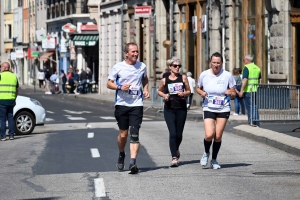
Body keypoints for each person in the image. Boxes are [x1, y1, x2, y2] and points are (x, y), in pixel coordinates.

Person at [107, 42, 150, 174]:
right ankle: (121, 154)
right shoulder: (118, 67)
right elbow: (109, 83)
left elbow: (145, 79)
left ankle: (132, 163)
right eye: (133, 52)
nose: (136, 54)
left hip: (137, 104)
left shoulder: (142, 66)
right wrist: (120, 87)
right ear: (126, 53)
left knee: (135, 133)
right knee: (123, 134)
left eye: (137, 51)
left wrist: (146, 89)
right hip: (122, 104)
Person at [196, 52, 236, 169]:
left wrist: (230, 93)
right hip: (208, 106)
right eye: (214, 63)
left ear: (222, 63)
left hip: (223, 107)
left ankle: (214, 159)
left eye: (218, 63)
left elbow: (233, 92)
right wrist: (202, 93)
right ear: (210, 62)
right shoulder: (204, 75)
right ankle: (206, 152)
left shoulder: (227, 75)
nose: (216, 65)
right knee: (209, 134)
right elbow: (198, 88)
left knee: (218, 136)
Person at [157, 56, 191, 167]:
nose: (177, 68)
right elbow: (159, 91)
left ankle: (176, 148)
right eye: (175, 66)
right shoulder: (164, 80)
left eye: (179, 66)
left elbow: (189, 91)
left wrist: (184, 94)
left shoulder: (183, 78)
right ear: (170, 67)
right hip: (169, 109)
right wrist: (165, 95)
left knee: (179, 134)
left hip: (181, 109)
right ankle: (174, 157)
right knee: (173, 133)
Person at [238, 54, 261, 127]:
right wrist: (257, 87)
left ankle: (251, 122)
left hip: (248, 90)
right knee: (254, 106)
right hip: (254, 90)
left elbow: (245, 80)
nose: (243, 61)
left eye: (244, 60)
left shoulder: (246, 68)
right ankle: (256, 123)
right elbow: (260, 79)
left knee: (249, 107)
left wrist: (241, 90)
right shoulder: (257, 68)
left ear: (247, 60)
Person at [0, 62, 19, 141]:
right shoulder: (14, 76)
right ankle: (11, 135)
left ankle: (3, 136)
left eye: (1, 67)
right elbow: (17, 89)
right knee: (10, 117)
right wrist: (14, 98)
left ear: (4, 68)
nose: (0, 68)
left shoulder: (0, 75)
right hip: (11, 100)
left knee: (3, 118)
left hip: (2, 100)